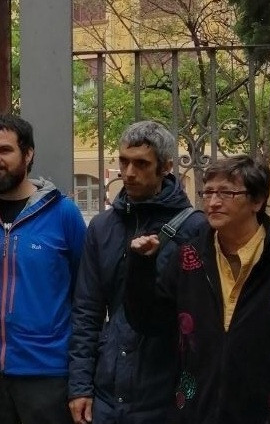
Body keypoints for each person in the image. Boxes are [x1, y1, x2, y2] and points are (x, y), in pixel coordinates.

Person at [125, 154, 270, 423]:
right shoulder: (188, 257)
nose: (212, 202)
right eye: (208, 192)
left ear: (257, 201)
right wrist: (141, 267)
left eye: (226, 193)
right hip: (199, 411)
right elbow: (150, 322)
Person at [67, 120, 207, 424]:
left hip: (167, 391)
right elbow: (87, 311)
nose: (129, 173)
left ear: (166, 166)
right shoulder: (103, 227)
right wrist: (80, 387)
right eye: (124, 161)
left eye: (141, 163)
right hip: (108, 389)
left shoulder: (197, 228)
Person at [0, 113, 87, 424]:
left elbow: (86, 297)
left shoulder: (64, 214)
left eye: (4, 150)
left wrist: (82, 375)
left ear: (28, 154)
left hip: (48, 375)